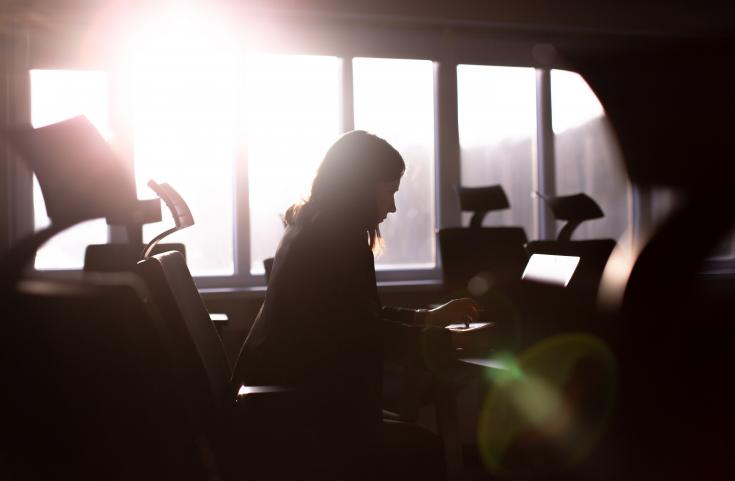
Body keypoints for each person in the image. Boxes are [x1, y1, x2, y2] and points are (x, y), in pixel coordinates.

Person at [232, 130, 480, 480]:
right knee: (426, 450)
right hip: (304, 411)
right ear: (362, 185)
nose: (392, 207)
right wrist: (449, 340)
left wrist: (428, 318)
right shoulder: (337, 239)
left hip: (288, 399)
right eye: (389, 191)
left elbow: (354, 320)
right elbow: (359, 336)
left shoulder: (311, 226)